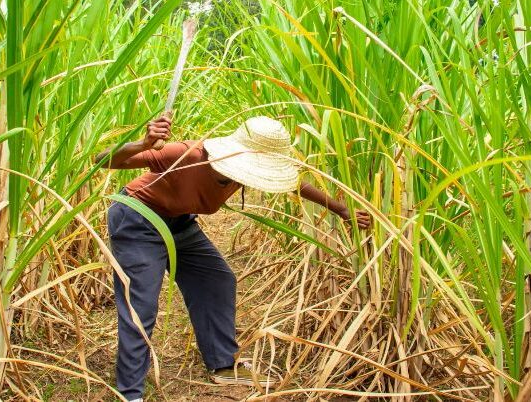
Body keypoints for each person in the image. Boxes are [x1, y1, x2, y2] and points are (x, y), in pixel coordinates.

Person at [96, 115, 371, 402]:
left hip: (179, 223)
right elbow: (103, 160)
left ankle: (224, 364)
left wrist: (340, 209)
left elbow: (294, 184)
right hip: (138, 219)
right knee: (141, 305)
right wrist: (142, 144)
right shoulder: (187, 154)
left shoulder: (247, 170)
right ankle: (131, 393)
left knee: (216, 279)